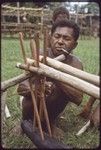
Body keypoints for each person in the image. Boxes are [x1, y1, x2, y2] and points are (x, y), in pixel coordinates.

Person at [17, 19, 83, 136]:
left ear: (75, 44)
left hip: (54, 102)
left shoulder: (76, 64)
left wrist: (55, 76)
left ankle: (49, 123)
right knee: (34, 91)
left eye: (66, 38)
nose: (60, 41)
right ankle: (26, 122)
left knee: (58, 90)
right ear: (50, 38)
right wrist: (35, 89)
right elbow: (21, 88)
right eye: (57, 36)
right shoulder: (39, 56)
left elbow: (78, 98)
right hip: (32, 102)